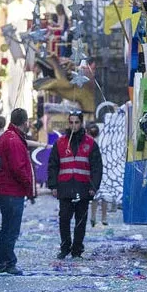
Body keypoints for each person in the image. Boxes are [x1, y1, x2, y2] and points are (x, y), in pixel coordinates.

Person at [47, 110, 103, 259]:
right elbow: (53, 165)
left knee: (81, 221)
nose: (73, 125)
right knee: (64, 219)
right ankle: (65, 247)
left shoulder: (90, 143)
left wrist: (94, 187)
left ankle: (77, 249)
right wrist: (53, 186)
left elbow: (97, 167)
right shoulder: (60, 143)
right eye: (71, 122)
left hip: (83, 187)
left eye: (76, 122)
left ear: (81, 123)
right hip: (65, 187)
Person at [0, 108, 36, 275]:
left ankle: (0, 259)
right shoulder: (14, 140)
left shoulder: (5, 137)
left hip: (4, 189)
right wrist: (28, 186)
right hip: (12, 190)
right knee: (11, 228)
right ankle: (8, 261)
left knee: (7, 226)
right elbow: (19, 168)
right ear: (25, 122)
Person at [86, 123, 108, 227]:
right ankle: (95, 217)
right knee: (97, 195)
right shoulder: (90, 143)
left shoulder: (99, 142)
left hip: (102, 171)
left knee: (102, 196)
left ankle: (100, 217)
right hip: (95, 171)